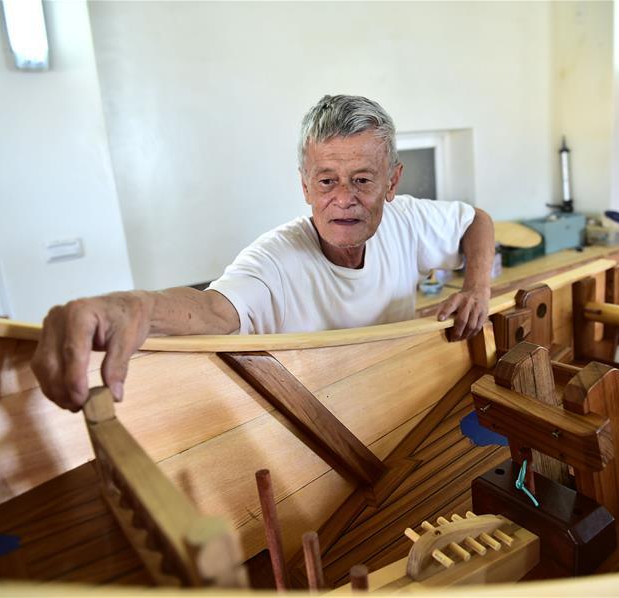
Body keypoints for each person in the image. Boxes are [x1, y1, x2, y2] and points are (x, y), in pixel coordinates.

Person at [32, 95, 495, 411]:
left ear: (392, 182)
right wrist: (134, 306)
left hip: (400, 397)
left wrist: (477, 288)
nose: (343, 198)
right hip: (321, 421)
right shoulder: (274, 259)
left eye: (362, 179)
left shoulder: (405, 219)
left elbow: (476, 221)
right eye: (326, 180)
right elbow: (212, 309)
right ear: (304, 185)